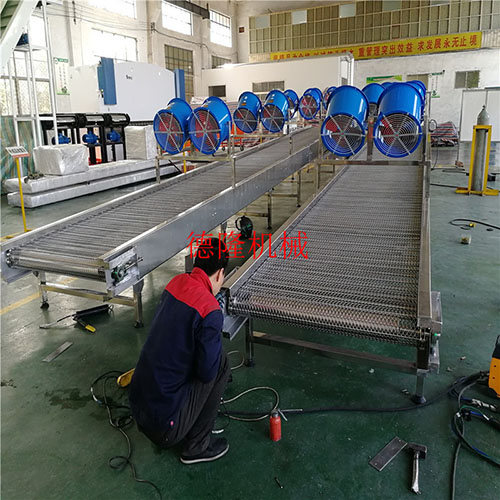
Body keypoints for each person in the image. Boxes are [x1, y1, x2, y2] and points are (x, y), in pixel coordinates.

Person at [129, 238, 231, 464]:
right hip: (164, 429)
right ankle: (197, 446)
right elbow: (206, 373)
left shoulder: (175, 283)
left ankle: (187, 421)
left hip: (139, 409)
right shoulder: (210, 309)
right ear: (220, 273)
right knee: (220, 363)